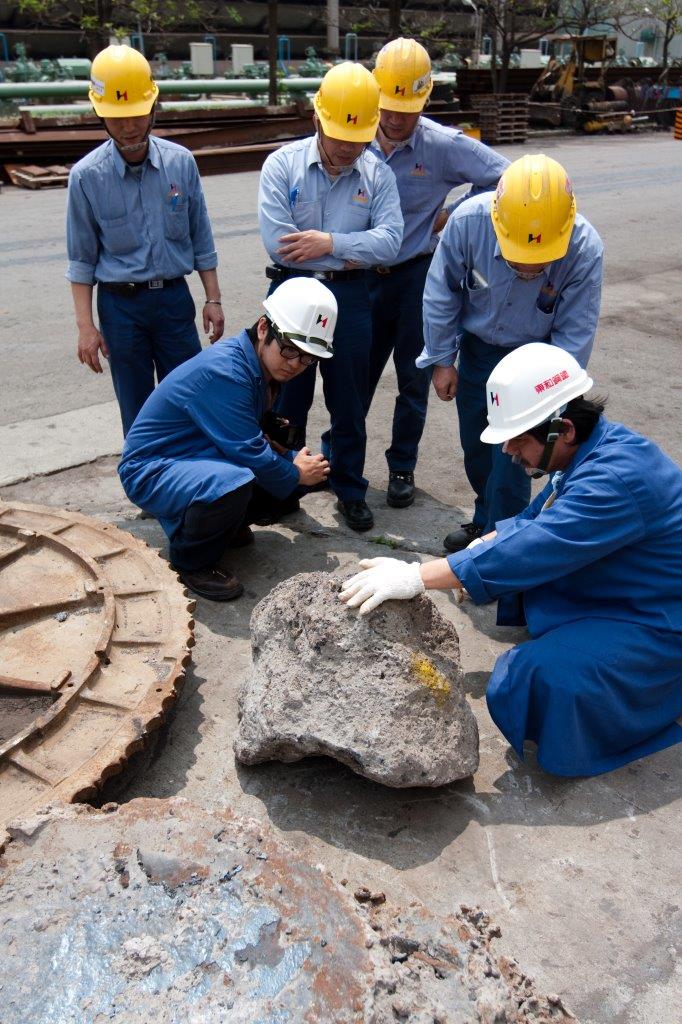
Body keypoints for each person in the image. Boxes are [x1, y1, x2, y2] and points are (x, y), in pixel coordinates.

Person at [339, 343, 682, 778]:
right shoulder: (595, 449)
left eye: (518, 439)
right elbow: (533, 520)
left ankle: (661, 688)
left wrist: (418, 576)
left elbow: (539, 544)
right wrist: (472, 557)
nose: (508, 451)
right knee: (524, 574)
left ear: (565, 430)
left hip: (663, 620)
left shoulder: (616, 480)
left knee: (530, 677)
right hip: (637, 588)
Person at [418, 153, 604, 552]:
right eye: (519, 256)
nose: (528, 269)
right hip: (479, 351)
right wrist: (442, 359)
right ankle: (485, 518)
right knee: (477, 444)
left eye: (540, 260)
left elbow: (575, 334)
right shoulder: (469, 223)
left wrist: (552, 399)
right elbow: (441, 293)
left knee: (514, 457)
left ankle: (504, 544)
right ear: (499, 222)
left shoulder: (584, 249)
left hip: (537, 362)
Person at [118, 278, 336, 601]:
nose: (295, 365)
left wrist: (291, 464)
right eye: (290, 350)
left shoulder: (261, 367)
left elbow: (252, 440)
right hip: (150, 469)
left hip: (191, 454)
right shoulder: (228, 372)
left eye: (307, 358)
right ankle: (191, 561)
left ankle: (217, 528)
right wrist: (295, 471)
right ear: (264, 328)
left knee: (284, 480)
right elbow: (251, 454)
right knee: (244, 480)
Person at [258, 61, 404, 532]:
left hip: (351, 301)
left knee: (349, 401)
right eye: (340, 134)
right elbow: (279, 240)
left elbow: (391, 241)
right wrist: (353, 249)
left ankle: (349, 487)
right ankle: (285, 483)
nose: (347, 147)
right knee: (286, 398)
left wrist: (330, 244)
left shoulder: (377, 175)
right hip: (292, 293)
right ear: (317, 119)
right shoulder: (283, 165)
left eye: (358, 137)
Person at [366, 37, 509, 509]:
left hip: (414, 275)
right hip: (360, 277)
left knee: (413, 376)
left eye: (405, 109)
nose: (393, 118)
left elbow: (507, 176)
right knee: (354, 376)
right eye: (387, 106)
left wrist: (455, 212)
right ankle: (338, 459)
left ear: (424, 100)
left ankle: (401, 466)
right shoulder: (355, 134)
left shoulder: (442, 145)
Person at [66, 44, 224, 436]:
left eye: (137, 114)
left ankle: (190, 487)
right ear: (99, 114)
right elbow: (82, 259)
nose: (129, 126)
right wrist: (86, 327)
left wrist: (213, 298)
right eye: (117, 118)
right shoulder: (87, 177)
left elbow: (200, 235)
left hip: (173, 300)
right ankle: (147, 490)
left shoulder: (180, 163)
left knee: (189, 399)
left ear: (154, 107)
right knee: (137, 410)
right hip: (121, 309)